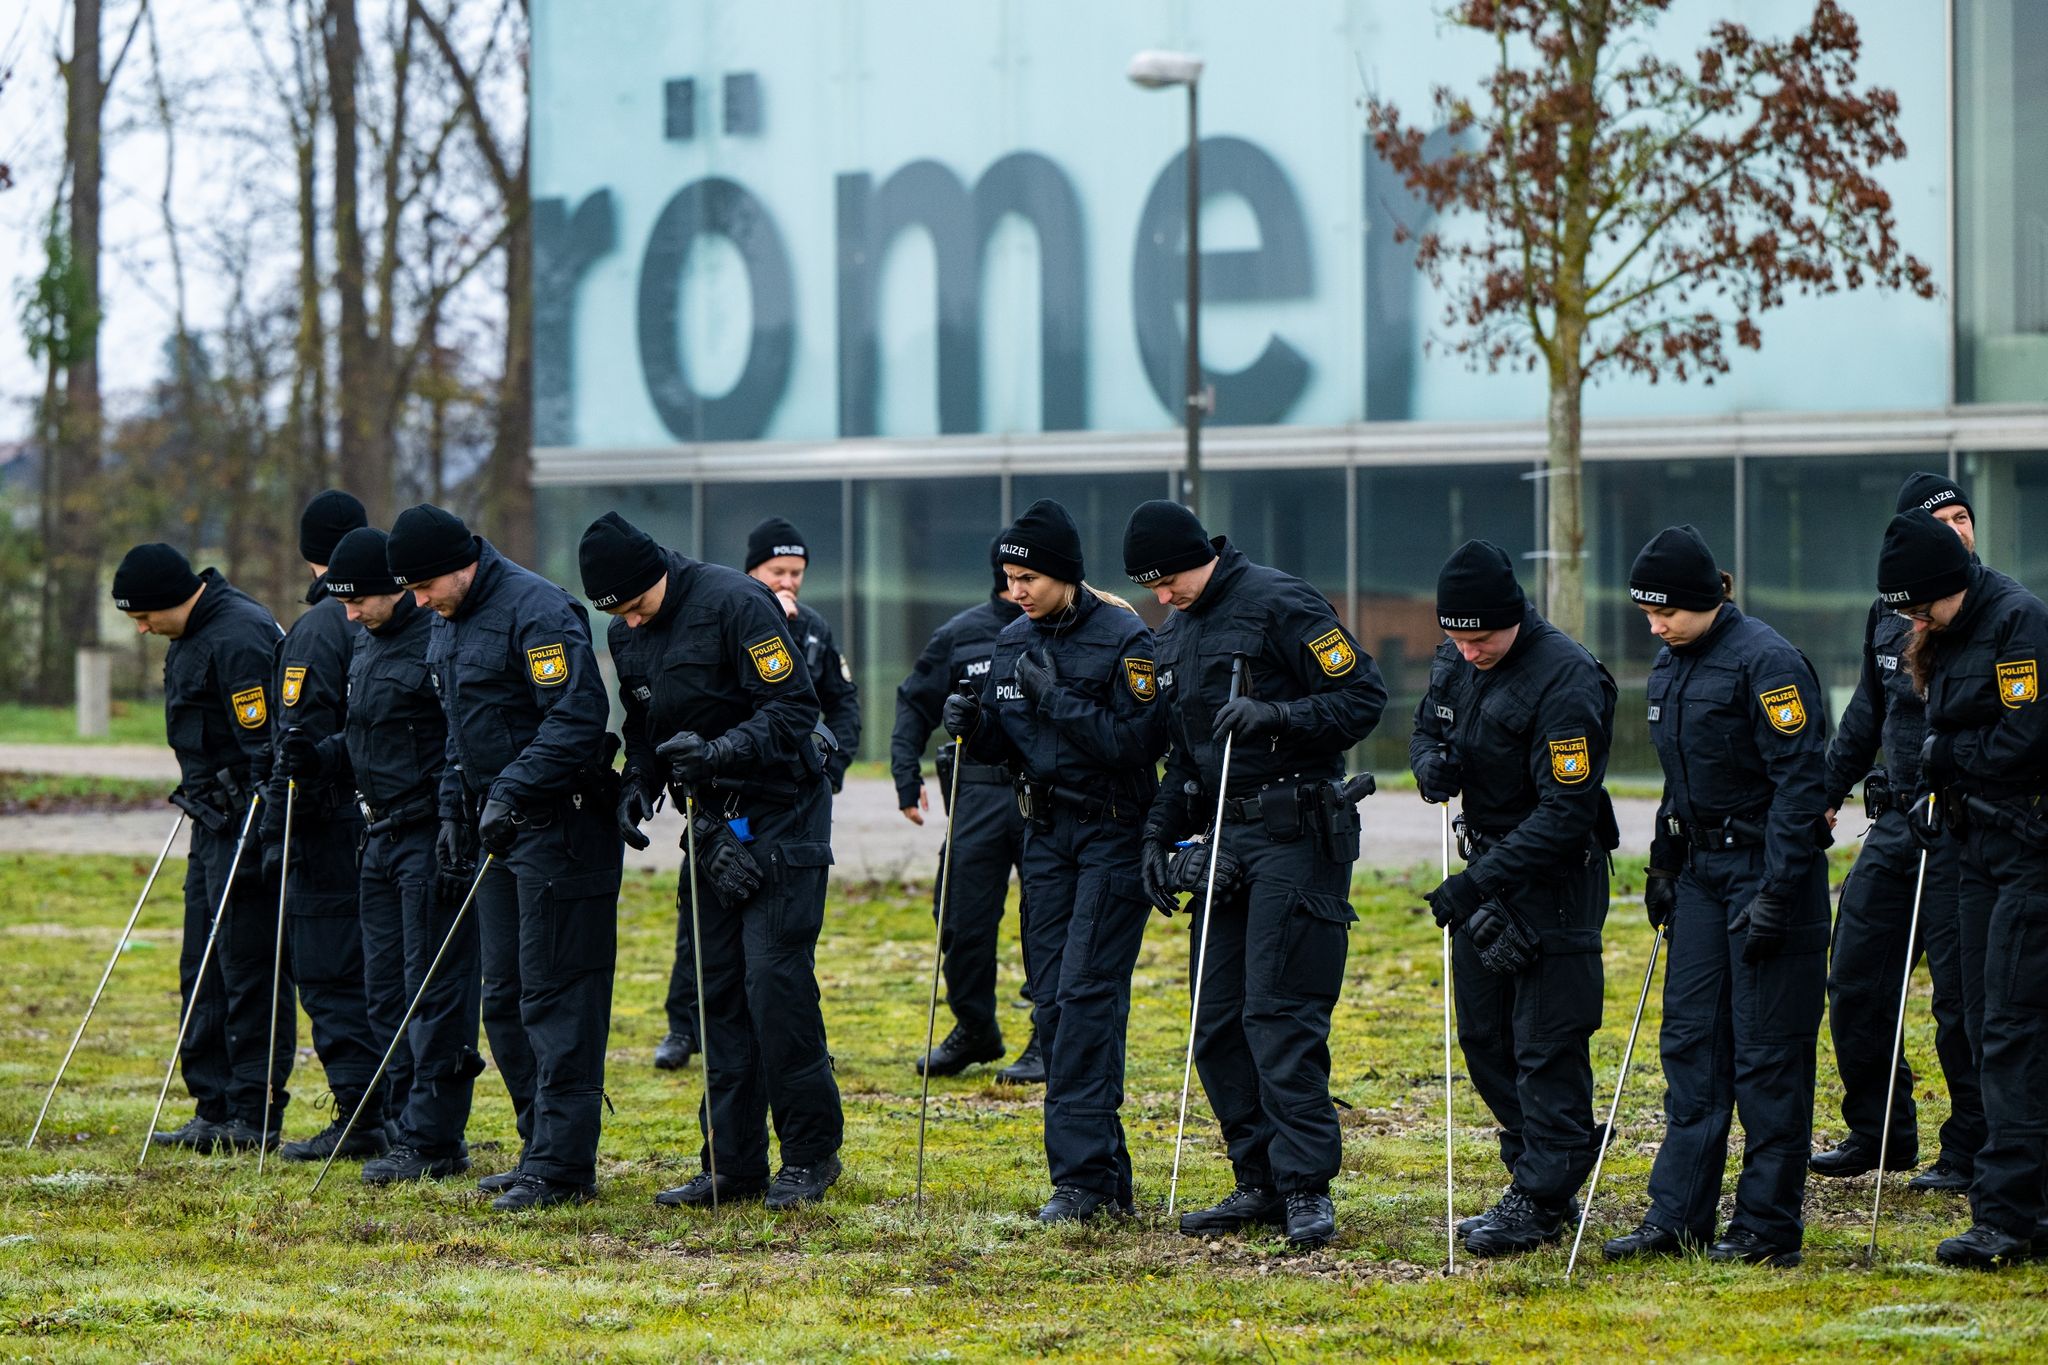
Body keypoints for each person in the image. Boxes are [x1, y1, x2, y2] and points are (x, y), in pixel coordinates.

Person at [1126, 500, 1387, 1251]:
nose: (1162, 596)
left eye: (1170, 579)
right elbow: (1183, 758)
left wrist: (1276, 714)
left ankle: (1307, 1184)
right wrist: (1156, 835)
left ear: (1198, 555)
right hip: (1223, 838)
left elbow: (1362, 697)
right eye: (1150, 586)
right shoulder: (1172, 634)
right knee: (1217, 1022)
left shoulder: (1282, 601)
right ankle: (1258, 1178)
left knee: (1279, 1014)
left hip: (1296, 829)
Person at [581, 511, 846, 1210]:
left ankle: (811, 1154)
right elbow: (644, 728)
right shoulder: (624, 629)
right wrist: (637, 785)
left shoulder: (737, 602)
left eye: (635, 605)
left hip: (783, 810)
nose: (630, 624)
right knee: (719, 989)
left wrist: (723, 752)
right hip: (712, 826)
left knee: (774, 983)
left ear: (655, 576)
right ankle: (731, 1162)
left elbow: (795, 707)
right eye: (616, 615)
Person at [1603, 525, 1830, 1268]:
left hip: (1770, 872)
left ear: (1703, 600)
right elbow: (1680, 777)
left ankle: (1767, 1224)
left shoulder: (1766, 662)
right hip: (1701, 873)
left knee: (1768, 1055)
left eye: (1663, 611)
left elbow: (1802, 785)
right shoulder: (1671, 666)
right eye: (1645, 613)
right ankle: (1678, 1214)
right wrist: (1664, 861)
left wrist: (1779, 889)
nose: (1653, 625)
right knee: (1692, 1045)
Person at [388, 503, 624, 1211]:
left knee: (557, 996)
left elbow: (578, 719)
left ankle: (564, 1166)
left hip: (560, 827)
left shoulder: (538, 610)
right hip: (500, 828)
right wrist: (456, 810)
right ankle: (536, 1148)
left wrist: (511, 790)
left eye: (425, 587)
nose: (419, 602)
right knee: (505, 995)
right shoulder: (448, 619)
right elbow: (460, 725)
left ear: (461, 563)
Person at [944, 499, 1168, 1224]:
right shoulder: (1011, 639)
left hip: (1109, 829)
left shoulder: (1125, 635)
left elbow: (1138, 743)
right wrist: (975, 729)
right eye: (1010, 576)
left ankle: (1081, 1181)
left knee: (1085, 998)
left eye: (1030, 576)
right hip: (1043, 836)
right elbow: (1012, 742)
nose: (1019, 589)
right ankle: (1102, 1178)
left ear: (1066, 574)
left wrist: (1060, 701)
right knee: (1052, 1002)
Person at [1410, 540, 1617, 1255]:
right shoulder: (1457, 658)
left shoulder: (1565, 677)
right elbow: (1426, 727)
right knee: (1484, 1033)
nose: (1467, 652)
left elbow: (1566, 812)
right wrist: (1430, 766)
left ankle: (1542, 1193)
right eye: (1455, 637)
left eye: (1481, 638)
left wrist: (1476, 884)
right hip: (1489, 866)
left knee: (1544, 1039)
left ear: (1514, 618)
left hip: (1552, 877)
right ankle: (1539, 1164)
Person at [1878, 508, 2048, 1268]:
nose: (1918, 620)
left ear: (1952, 584)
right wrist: (1929, 789)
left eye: (1923, 605)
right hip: (1970, 844)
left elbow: (2027, 735)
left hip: (2027, 848)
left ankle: (2008, 1214)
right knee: (1981, 1023)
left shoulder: (2019, 622)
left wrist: (1952, 753)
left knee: (2012, 1027)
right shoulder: (1940, 632)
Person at [289, 526, 483, 1183]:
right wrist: (316, 756)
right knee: (382, 993)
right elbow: (362, 734)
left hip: (429, 835)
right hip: (376, 837)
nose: (347, 615)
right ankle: (402, 1125)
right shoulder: (367, 644)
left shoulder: (435, 640)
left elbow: (459, 735)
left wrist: (458, 816)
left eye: (357, 601)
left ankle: (435, 1137)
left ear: (396, 588)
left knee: (431, 989)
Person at [1812, 472, 1984, 1195]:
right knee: (1853, 978)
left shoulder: (1993, 614)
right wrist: (1823, 793)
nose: (1961, 528)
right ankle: (1880, 1130)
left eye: (1965, 516)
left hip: (1964, 829)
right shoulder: (1888, 615)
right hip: (1895, 821)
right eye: (1944, 518)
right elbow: (1865, 718)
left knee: (1961, 999)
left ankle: (1972, 1146)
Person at [649, 514, 861, 1073]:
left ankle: (790, 1046)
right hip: (719, 801)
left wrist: (830, 767)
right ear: (751, 571)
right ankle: (681, 1025)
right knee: (699, 931)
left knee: (775, 953)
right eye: (777, 571)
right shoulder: (725, 614)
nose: (788, 582)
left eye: (797, 572)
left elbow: (834, 701)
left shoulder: (811, 628)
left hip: (785, 798)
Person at [114, 542, 294, 1152]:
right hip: (208, 819)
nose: (140, 628)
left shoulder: (239, 634)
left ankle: (254, 1110)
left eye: (143, 615)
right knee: (202, 965)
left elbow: (266, 743)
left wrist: (259, 817)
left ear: (171, 599)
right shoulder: (189, 634)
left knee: (247, 966)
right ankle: (212, 1105)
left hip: (245, 820)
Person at [262, 490, 387, 1162]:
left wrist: (279, 822)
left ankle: (360, 1110)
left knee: (331, 969)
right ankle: (390, 1104)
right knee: (376, 966)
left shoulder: (318, 629)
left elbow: (299, 738)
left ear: (311, 552)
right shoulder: (391, 615)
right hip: (377, 818)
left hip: (325, 822)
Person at [892, 539, 1036, 1081]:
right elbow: (913, 703)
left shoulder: (1065, 630)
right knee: (959, 918)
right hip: (977, 792)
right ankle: (975, 1028)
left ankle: (1050, 1034)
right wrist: (906, 775)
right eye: (1016, 575)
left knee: (1046, 916)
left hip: (1043, 791)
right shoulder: (961, 633)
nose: (1023, 587)